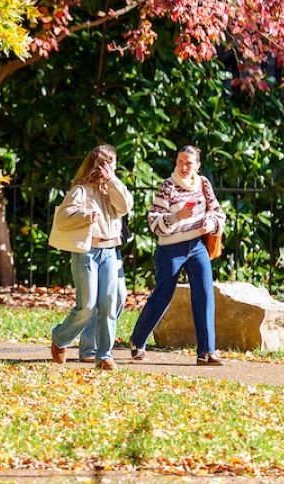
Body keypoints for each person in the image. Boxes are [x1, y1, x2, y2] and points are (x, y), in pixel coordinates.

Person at [128, 145, 226, 366]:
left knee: (204, 294)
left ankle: (206, 352)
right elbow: (153, 222)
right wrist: (177, 216)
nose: (183, 166)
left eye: (189, 163)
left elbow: (217, 212)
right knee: (163, 295)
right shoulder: (167, 187)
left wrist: (210, 223)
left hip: (196, 246)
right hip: (171, 248)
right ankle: (138, 340)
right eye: (180, 161)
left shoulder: (203, 184)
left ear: (197, 166)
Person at [49, 145, 134, 370]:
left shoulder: (114, 189)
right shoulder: (81, 190)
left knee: (109, 303)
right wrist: (86, 215)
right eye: (103, 166)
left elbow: (125, 206)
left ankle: (104, 354)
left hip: (110, 252)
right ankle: (60, 338)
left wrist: (112, 181)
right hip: (86, 252)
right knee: (86, 306)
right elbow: (63, 218)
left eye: (111, 166)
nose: (107, 170)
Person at [78, 216, 130, 363]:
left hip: (113, 246)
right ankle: (89, 348)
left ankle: (101, 343)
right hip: (91, 246)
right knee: (92, 300)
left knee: (119, 296)